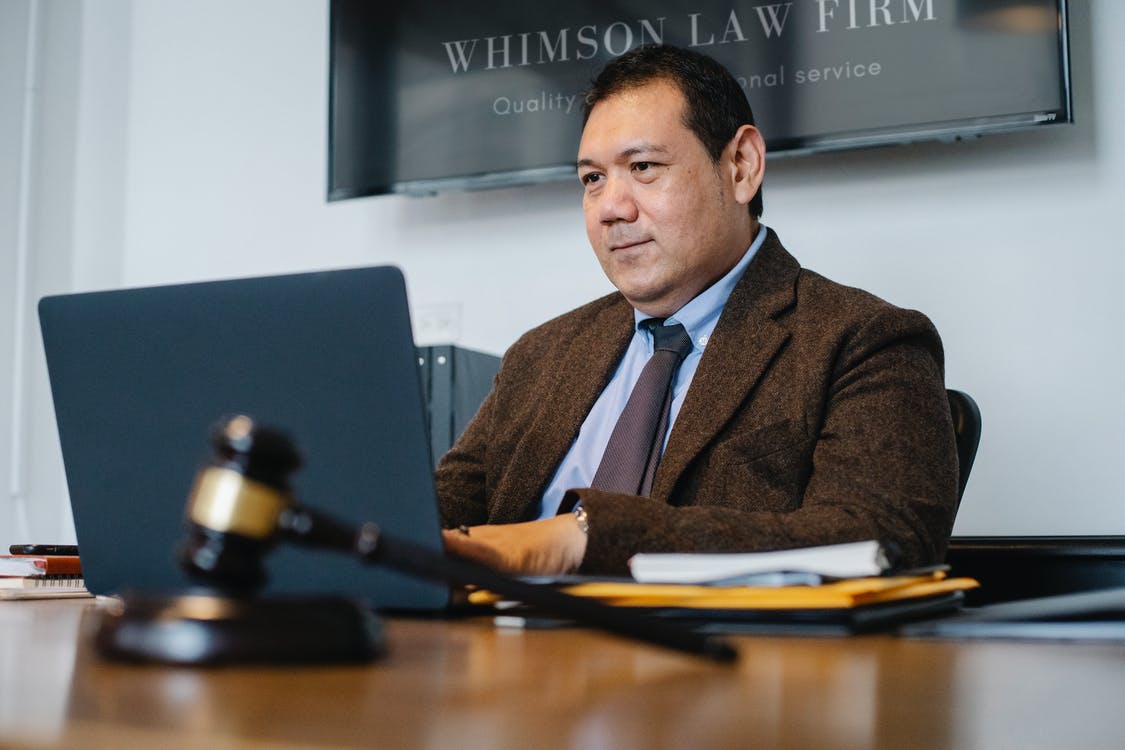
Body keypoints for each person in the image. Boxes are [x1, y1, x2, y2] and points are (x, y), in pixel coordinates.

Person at [438, 44, 957, 577]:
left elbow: (881, 540)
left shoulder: (864, 341)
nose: (611, 209)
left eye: (643, 167)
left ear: (741, 167)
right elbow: (427, 515)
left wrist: (580, 537)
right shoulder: (540, 355)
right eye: (593, 179)